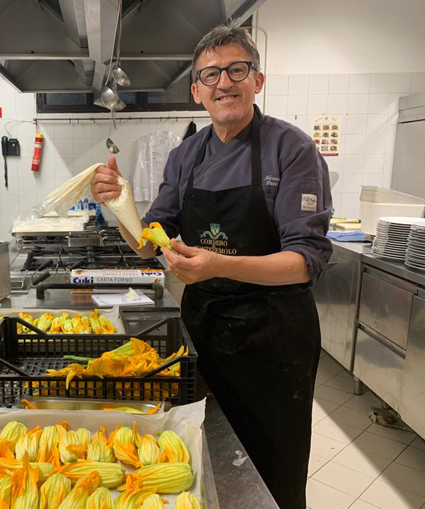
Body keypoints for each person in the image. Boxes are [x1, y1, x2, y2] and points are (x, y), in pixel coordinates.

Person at [91, 22, 332, 509]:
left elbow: (304, 262)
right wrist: (118, 206)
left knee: (275, 467)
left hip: (274, 335)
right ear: (197, 90)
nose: (225, 82)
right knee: (206, 457)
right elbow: (146, 244)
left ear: (257, 80)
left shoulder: (292, 149)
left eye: (236, 69)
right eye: (211, 74)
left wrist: (219, 266)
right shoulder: (186, 156)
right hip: (205, 331)